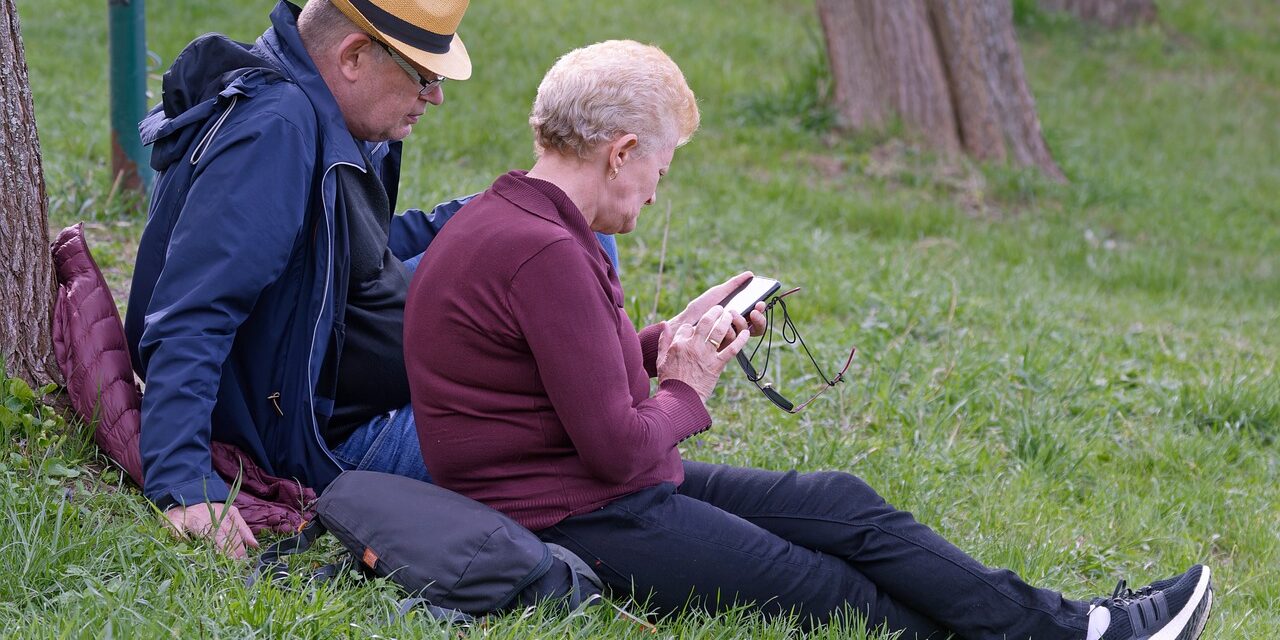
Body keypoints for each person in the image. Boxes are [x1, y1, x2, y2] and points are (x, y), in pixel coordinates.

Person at [403, 40, 1214, 640]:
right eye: (662, 168)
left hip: (588, 487)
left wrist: (666, 340)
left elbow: (558, 367)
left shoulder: (515, 217)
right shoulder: (543, 250)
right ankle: (1082, 634)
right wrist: (687, 386)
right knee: (830, 591)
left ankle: (1078, 625)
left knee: (840, 503)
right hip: (569, 515)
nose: (657, 191)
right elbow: (617, 449)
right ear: (621, 153)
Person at [124, 0, 498, 558]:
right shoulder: (275, 131)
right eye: (424, 77)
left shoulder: (315, 105)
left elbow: (342, 247)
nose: (436, 97)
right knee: (539, 422)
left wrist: (492, 213)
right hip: (318, 440)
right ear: (353, 56)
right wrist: (183, 481)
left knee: (562, 222)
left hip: (341, 376)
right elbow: (194, 310)